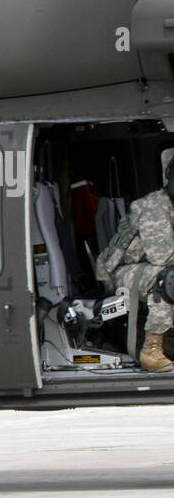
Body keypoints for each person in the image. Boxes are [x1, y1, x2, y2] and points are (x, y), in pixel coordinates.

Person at [99, 148, 174, 372]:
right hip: (121, 270)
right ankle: (151, 349)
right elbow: (163, 257)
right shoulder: (152, 206)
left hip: (151, 266)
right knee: (168, 278)